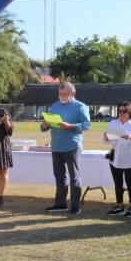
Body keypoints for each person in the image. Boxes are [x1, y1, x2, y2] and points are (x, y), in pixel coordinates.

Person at [40, 82, 91, 215]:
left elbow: (87, 125)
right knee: (59, 176)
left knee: (74, 176)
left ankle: (75, 206)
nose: (62, 96)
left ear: (72, 94)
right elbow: (44, 127)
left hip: (72, 146)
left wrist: (69, 126)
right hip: (56, 146)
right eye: (60, 94)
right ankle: (60, 204)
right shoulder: (54, 106)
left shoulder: (80, 106)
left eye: (65, 94)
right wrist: (45, 125)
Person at [103, 101, 131, 218]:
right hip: (115, 157)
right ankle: (120, 206)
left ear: (130, 112)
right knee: (118, 183)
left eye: (125, 111)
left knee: (130, 183)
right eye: (120, 111)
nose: (121, 113)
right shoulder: (113, 123)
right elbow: (104, 140)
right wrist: (106, 137)